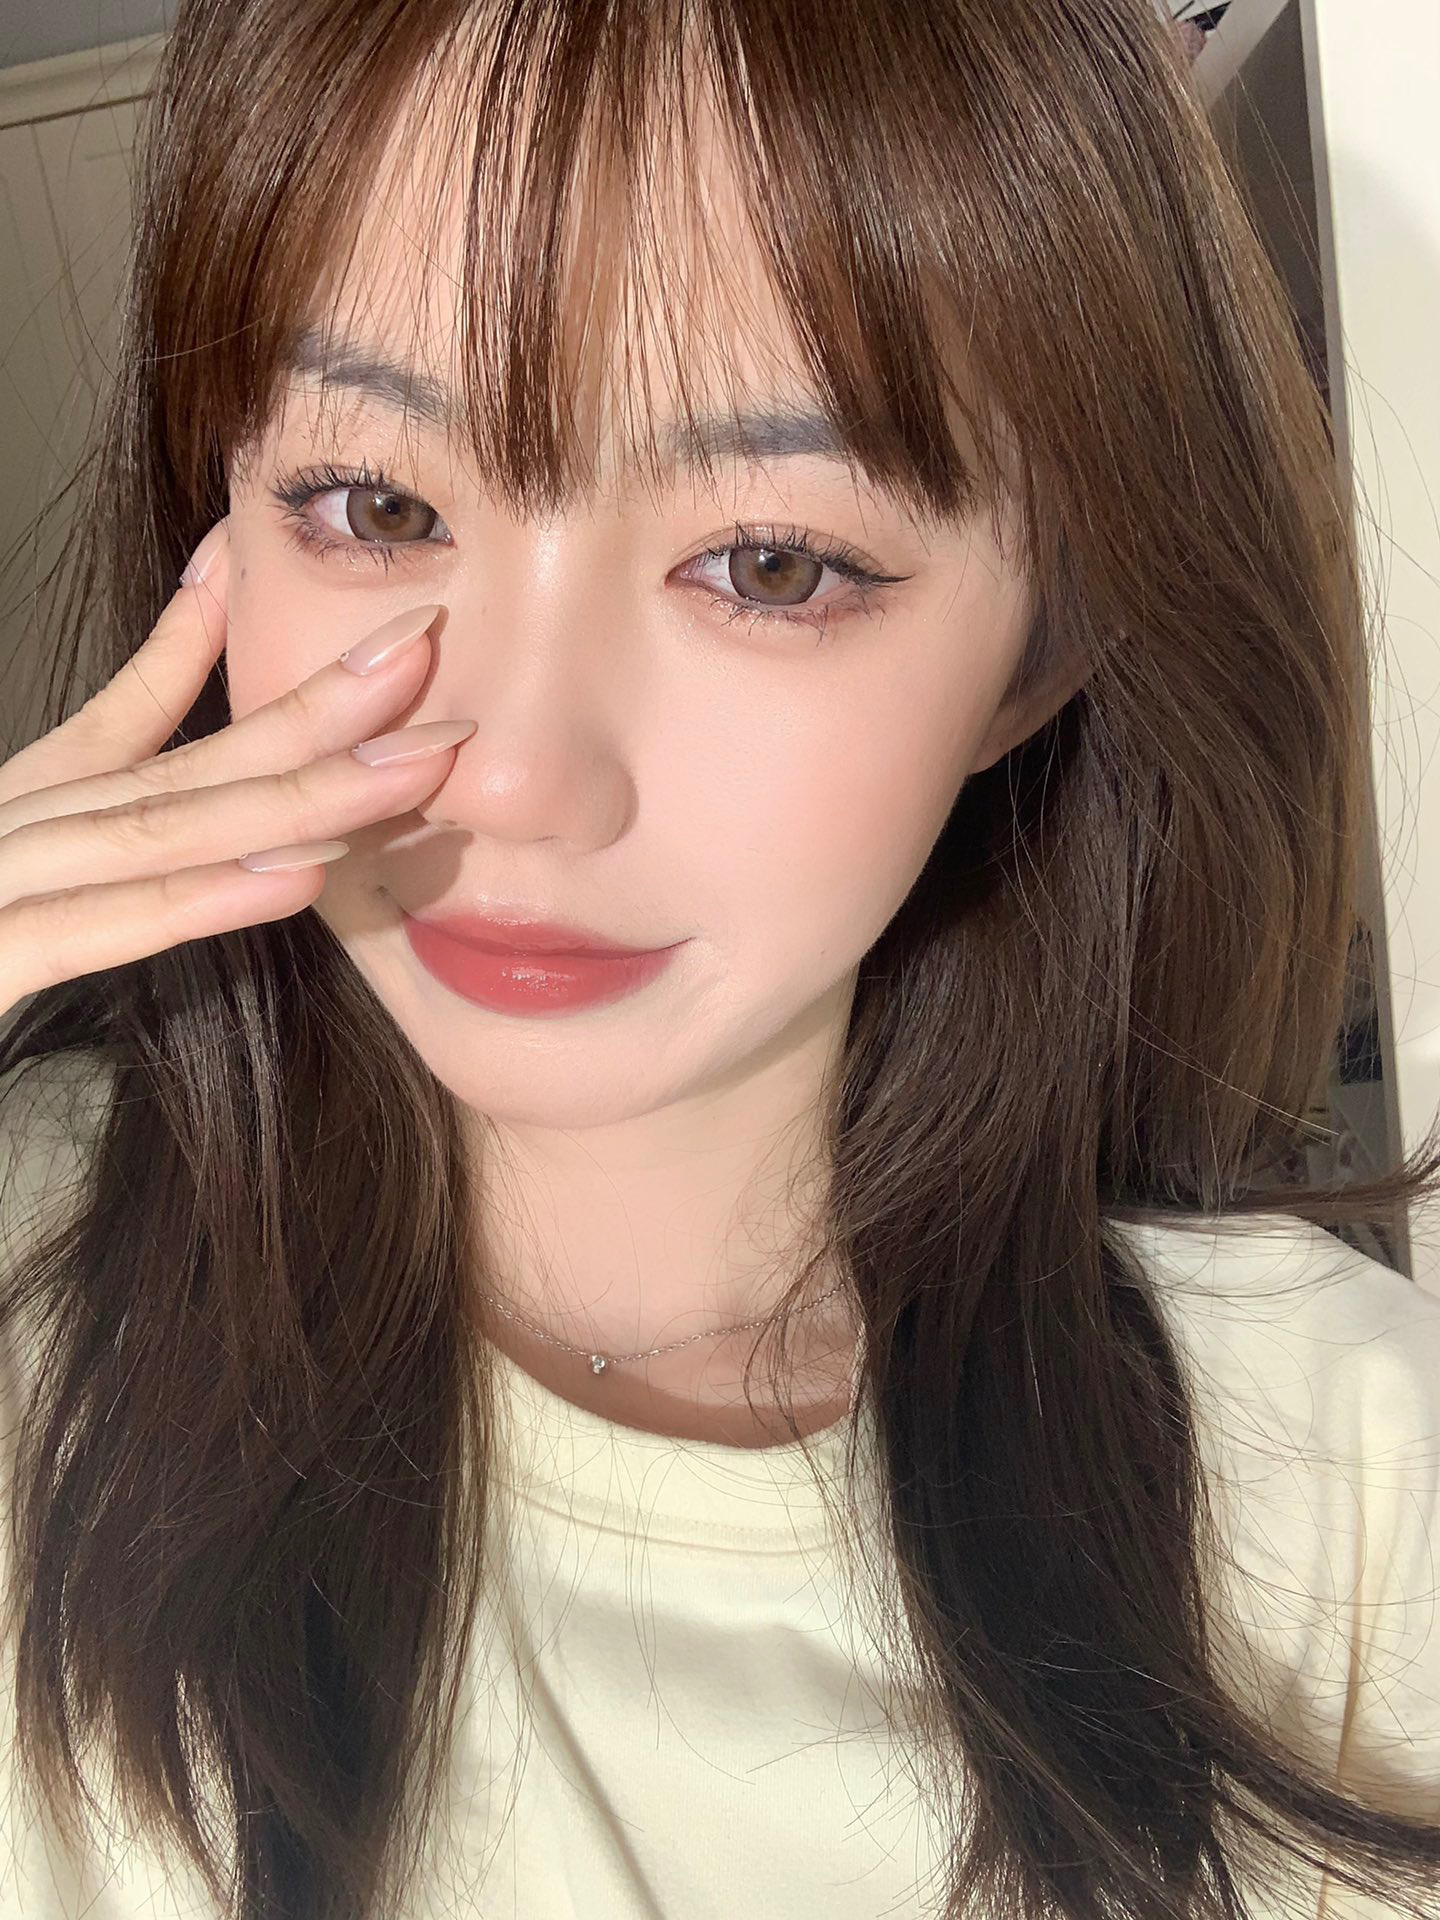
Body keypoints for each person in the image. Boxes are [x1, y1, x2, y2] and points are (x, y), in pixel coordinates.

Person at [0, 1, 1437, 1916]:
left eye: (772, 564)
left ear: (1041, 654)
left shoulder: (1350, 1496)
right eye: (377, 507)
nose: (517, 780)